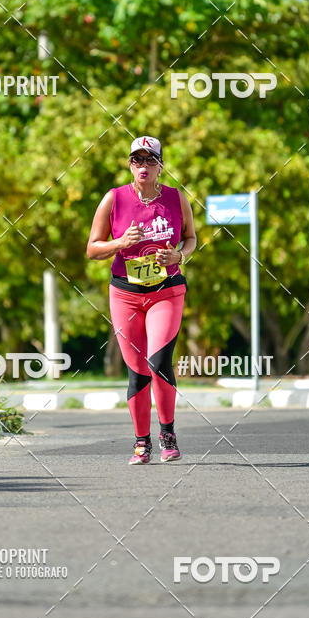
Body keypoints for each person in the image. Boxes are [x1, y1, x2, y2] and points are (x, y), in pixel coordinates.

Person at [86, 136, 197, 464]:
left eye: (150, 160)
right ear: (129, 164)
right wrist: (119, 242)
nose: (143, 166)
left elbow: (190, 239)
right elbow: (92, 248)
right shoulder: (114, 198)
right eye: (137, 160)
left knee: (159, 361)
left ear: (161, 165)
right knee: (137, 369)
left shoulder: (177, 199)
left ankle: (167, 432)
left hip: (167, 290)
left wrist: (179, 254)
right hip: (126, 294)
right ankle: (141, 441)